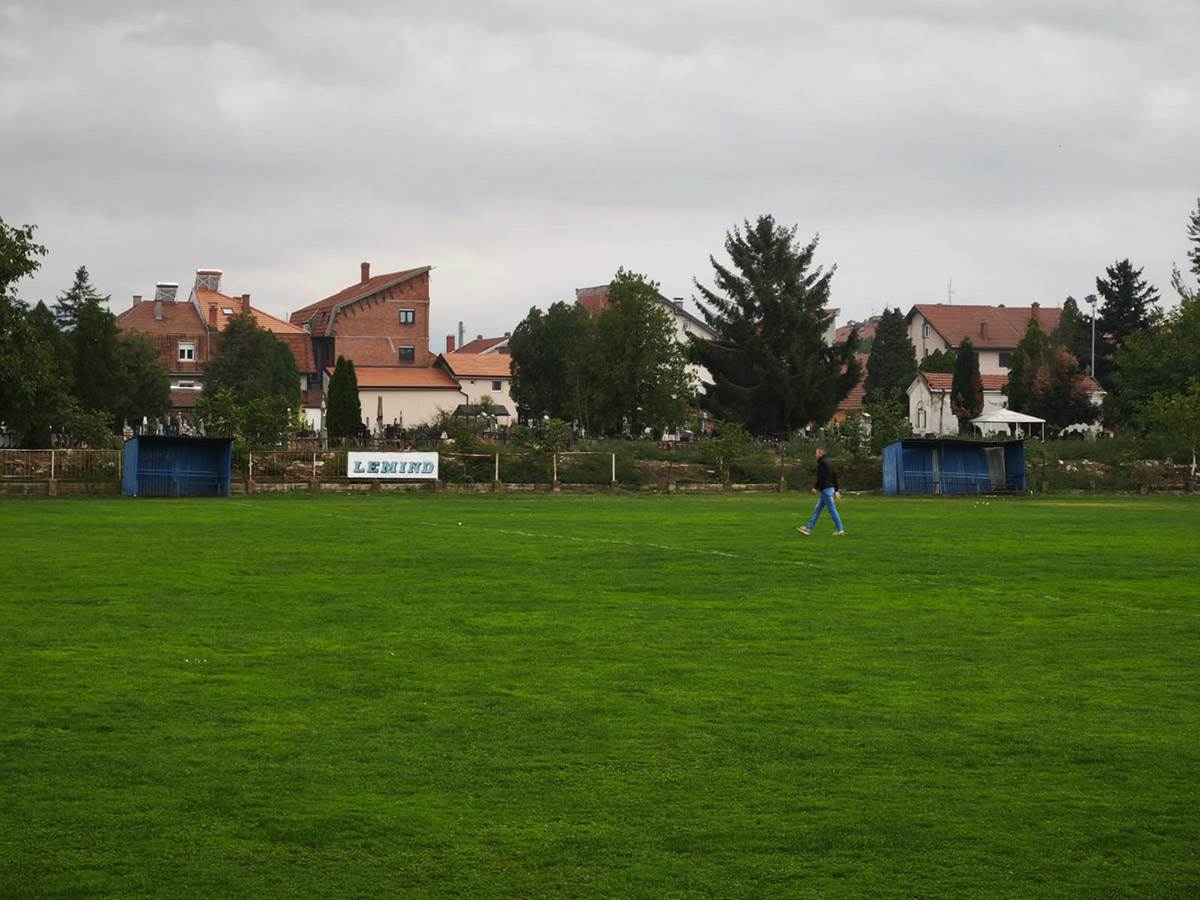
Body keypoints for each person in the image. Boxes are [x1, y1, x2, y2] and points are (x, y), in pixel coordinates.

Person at [798, 447, 844, 536]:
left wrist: (815, 488)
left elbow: (821, 477)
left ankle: (840, 529)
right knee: (818, 509)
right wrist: (836, 490)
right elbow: (834, 476)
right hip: (828, 489)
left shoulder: (822, 463)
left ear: (820, 454)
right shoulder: (829, 462)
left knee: (832, 510)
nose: (815, 455)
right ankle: (808, 528)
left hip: (826, 490)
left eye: (816, 453)